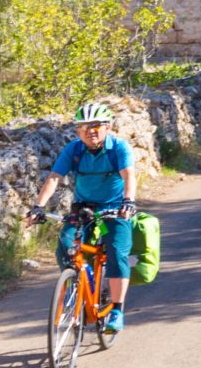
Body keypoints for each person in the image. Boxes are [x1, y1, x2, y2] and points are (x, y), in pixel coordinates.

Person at [24, 101, 139, 332]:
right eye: (84, 126)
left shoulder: (119, 148)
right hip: (83, 208)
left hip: (115, 207)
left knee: (117, 253)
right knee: (66, 247)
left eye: (96, 125)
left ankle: (116, 310)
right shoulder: (74, 149)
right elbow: (55, 177)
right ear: (78, 131)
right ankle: (76, 293)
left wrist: (128, 202)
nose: (90, 131)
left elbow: (128, 176)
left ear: (108, 126)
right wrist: (38, 206)